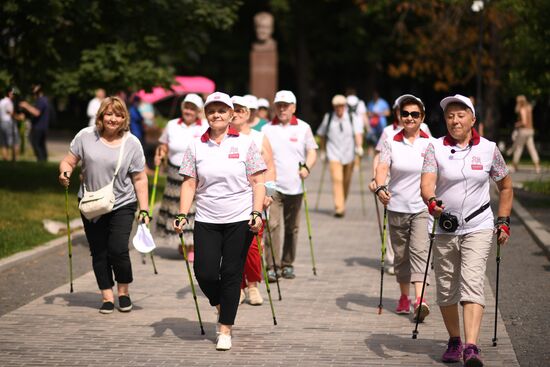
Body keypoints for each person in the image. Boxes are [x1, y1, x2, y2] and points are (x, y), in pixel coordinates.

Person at [420, 94, 513, 366]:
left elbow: (505, 186)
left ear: (473, 118)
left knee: (472, 282)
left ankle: (471, 346)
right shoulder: (434, 148)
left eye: (461, 115)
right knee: (446, 286)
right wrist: (432, 201)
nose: (454, 120)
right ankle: (454, 339)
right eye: (449, 116)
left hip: (479, 225)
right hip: (445, 225)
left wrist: (503, 220)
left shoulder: (489, 149)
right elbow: (427, 184)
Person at [173, 92, 266, 351]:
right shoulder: (196, 146)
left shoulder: (246, 143)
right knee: (204, 272)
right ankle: (222, 306)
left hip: (240, 218)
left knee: (231, 273)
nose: (217, 114)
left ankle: (225, 328)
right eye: (212, 110)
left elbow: (258, 183)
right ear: (206, 114)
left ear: (231, 115)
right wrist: (181, 214)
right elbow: (189, 183)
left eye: (222, 110)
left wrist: (257, 213)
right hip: (207, 218)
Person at [58, 96, 150, 314]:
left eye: (118, 114)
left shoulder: (132, 143)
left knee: (118, 249)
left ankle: (124, 292)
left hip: (122, 203)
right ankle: (107, 296)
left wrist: (144, 209)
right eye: (109, 114)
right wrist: (65, 173)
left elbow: (140, 178)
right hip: (91, 202)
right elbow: (69, 161)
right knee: (99, 251)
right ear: (101, 115)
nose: (113, 119)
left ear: (124, 118)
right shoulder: (86, 136)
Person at [373, 95, 434, 320]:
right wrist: (380, 187)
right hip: (397, 205)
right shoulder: (391, 141)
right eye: (406, 114)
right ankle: (403, 296)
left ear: (422, 118)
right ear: (400, 116)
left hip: (421, 206)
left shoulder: (430, 143)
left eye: (415, 114)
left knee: (419, 250)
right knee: (401, 257)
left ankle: (419, 300)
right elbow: (382, 166)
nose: (410, 118)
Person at [262, 90, 318, 280]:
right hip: (273, 186)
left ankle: (287, 263)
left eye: (286, 105)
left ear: (293, 107)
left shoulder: (303, 128)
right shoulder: (266, 129)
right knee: (272, 224)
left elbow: (312, 151)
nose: (282, 108)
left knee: (292, 227)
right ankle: (272, 265)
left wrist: (307, 168)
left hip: (295, 185)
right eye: (279, 105)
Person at [230, 95, 276, 306]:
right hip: (230, 201)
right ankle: (237, 286)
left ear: (248, 113)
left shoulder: (258, 137)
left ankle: (253, 285)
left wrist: (268, 193)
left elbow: (270, 166)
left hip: (255, 201)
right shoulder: (222, 137)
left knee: (253, 247)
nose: (237, 113)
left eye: (241, 110)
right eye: (234, 110)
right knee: (231, 247)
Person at [154, 94, 206, 260]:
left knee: (192, 209)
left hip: (195, 174)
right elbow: (164, 144)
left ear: (198, 111)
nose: (188, 111)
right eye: (186, 107)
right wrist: (160, 154)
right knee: (176, 208)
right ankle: (181, 241)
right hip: (173, 172)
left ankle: (192, 245)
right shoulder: (172, 125)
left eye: (192, 108)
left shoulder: (204, 126)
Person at [317, 94, 364, 217]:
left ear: (345, 106)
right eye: (337, 106)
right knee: (337, 180)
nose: (339, 109)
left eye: (341, 106)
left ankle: (342, 201)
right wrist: (322, 151)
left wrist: (359, 147)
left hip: (349, 154)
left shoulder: (352, 117)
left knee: (346, 181)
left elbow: (358, 134)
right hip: (334, 154)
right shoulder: (328, 118)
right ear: (334, 107)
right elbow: (321, 134)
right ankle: (339, 208)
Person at [19, 84, 51, 161]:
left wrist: (26, 105)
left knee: (36, 144)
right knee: (41, 144)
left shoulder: (41, 100)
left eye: (33, 93)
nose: (33, 95)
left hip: (39, 127)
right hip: (42, 126)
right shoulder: (44, 100)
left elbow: (36, 113)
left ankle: (41, 160)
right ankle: (44, 160)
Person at [511, 95, 541, 174]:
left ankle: (514, 166)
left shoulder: (522, 109)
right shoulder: (529, 108)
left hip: (523, 131)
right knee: (532, 149)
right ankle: (537, 166)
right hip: (530, 130)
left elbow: (524, 122)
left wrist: (517, 124)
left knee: (519, 148)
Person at [365, 90, 390, 160]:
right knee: (371, 140)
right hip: (372, 125)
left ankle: (382, 155)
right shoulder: (370, 103)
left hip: (381, 125)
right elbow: (367, 113)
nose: (374, 97)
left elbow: (388, 113)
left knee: (382, 140)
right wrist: (373, 114)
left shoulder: (383, 102)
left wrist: (379, 113)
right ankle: (370, 157)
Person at [0, 87, 21, 161]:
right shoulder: (8, 102)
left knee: (3, 142)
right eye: (13, 94)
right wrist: (19, 117)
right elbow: (10, 113)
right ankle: (15, 159)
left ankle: (5, 158)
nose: (14, 96)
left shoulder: (1, 101)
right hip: (9, 123)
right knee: (15, 141)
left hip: (2, 123)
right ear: (9, 93)